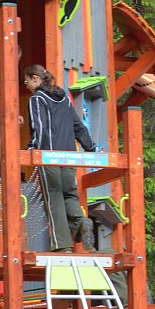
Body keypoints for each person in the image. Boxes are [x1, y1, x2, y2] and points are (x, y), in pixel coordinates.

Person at [24, 63, 96, 253]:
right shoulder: (63, 97)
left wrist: (32, 149)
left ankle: (62, 245)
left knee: (53, 198)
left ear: (35, 79)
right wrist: (91, 147)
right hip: (69, 156)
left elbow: (39, 127)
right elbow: (77, 124)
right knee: (69, 195)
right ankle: (80, 222)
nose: (26, 85)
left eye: (26, 81)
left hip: (48, 156)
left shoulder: (37, 99)